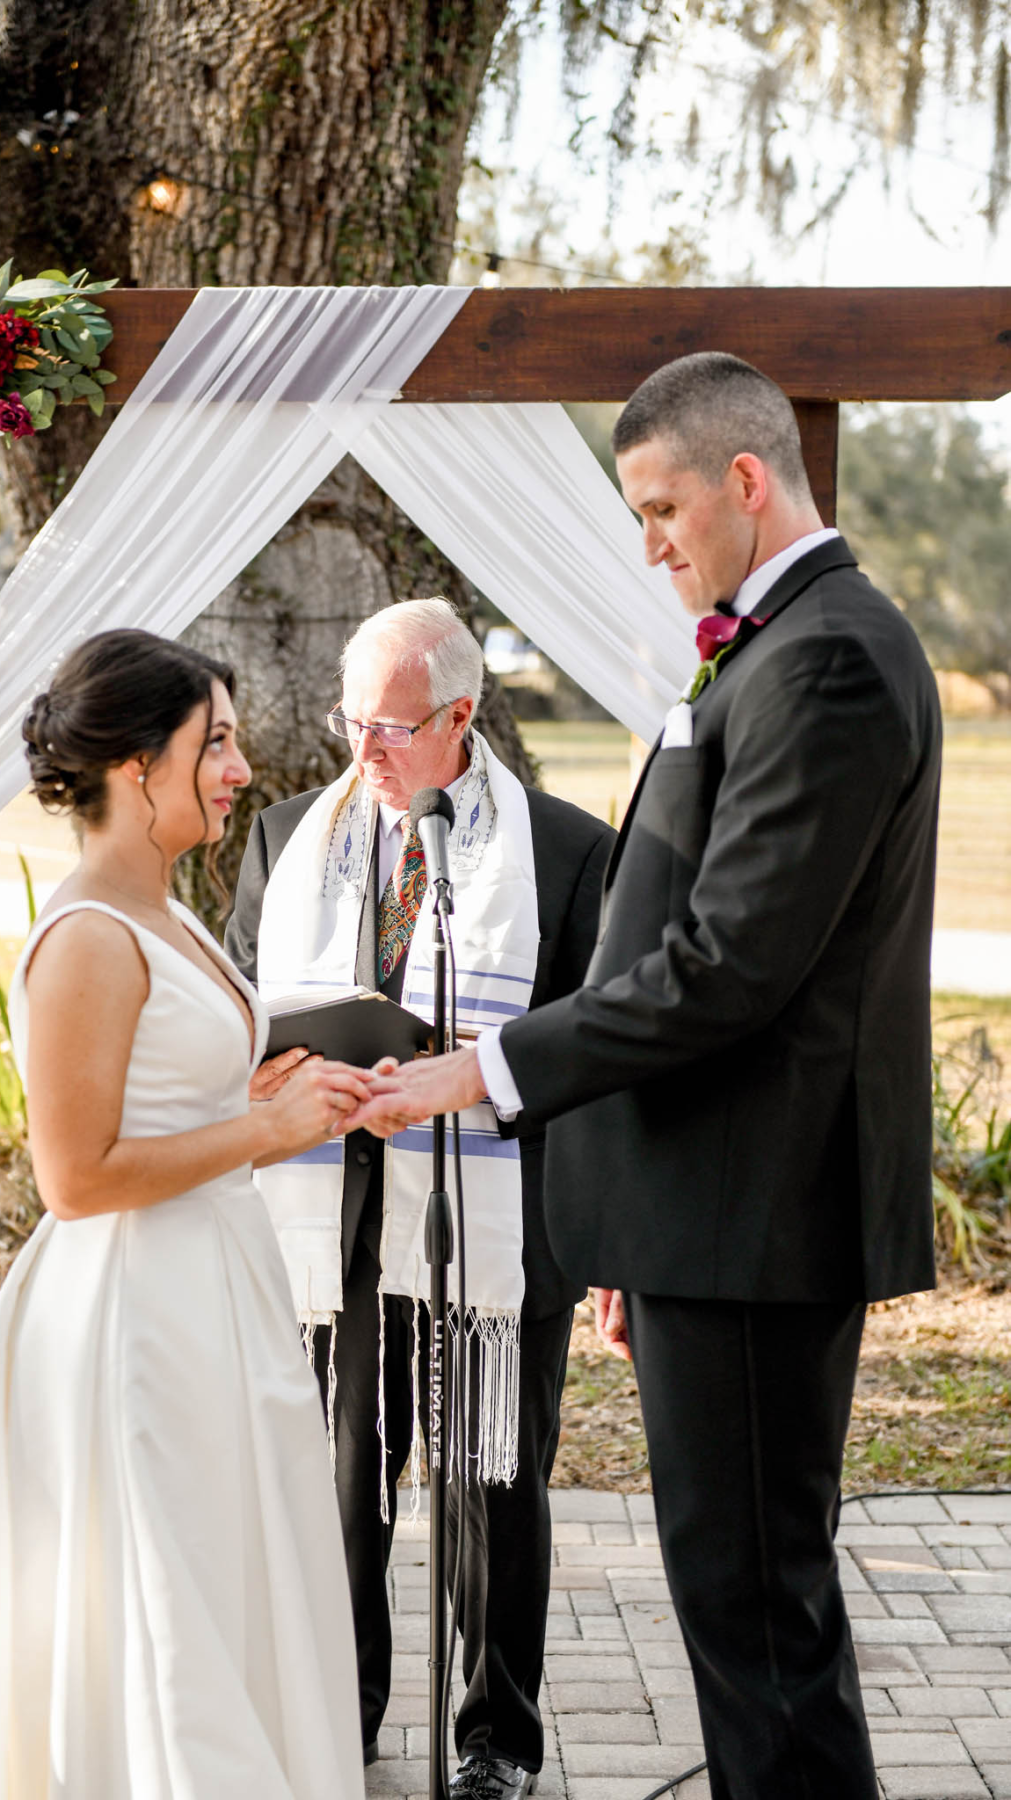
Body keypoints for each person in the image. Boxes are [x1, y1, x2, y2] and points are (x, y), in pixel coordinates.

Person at [354, 356, 941, 1800]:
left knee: (756, 1610)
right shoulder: (775, 645)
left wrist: (477, 1070)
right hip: (710, 1210)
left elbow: (730, 964)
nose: (652, 543)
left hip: (759, 1215)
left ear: (747, 482)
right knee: (738, 1598)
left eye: (663, 506)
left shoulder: (828, 660)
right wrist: (631, 1205)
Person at [0, 629, 371, 1800]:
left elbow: (167, 1098)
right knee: (160, 1601)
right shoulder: (88, 937)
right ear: (134, 765)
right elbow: (76, 1179)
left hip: (214, 1287)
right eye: (213, 741)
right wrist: (265, 1134)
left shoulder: (166, 912)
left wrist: (258, 1095)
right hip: (136, 1326)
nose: (238, 766)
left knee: (226, 1578)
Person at [226, 598, 612, 1800]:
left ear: (462, 714)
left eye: (391, 727)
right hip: (334, 1220)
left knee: (492, 1485)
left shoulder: (564, 848)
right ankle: (339, 1715)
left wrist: (606, 1245)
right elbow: (243, 1010)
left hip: (496, 1228)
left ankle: (495, 1735)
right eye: (353, 721)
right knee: (341, 1481)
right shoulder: (293, 834)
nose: (365, 750)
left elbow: (596, 1056)